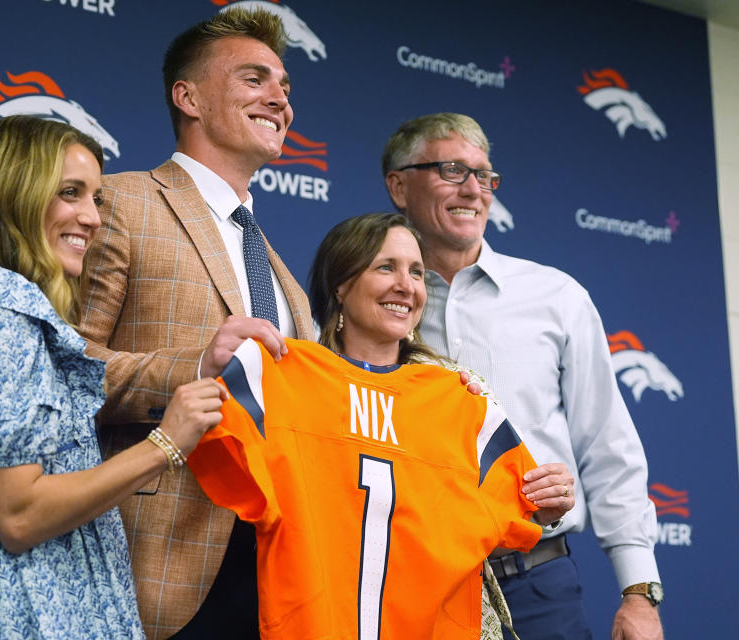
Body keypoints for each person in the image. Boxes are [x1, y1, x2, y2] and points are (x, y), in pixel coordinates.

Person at [0, 115, 226, 639]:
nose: (90, 217)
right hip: (9, 614)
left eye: (95, 198)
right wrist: (166, 443)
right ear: (14, 194)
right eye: (71, 193)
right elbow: (19, 515)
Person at [184, 212, 574, 639]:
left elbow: (516, 513)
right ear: (342, 284)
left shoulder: (462, 400)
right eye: (385, 267)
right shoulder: (281, 380)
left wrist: (543, 500)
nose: (406, 285)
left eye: (417, 272)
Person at [77, 8, 314, 639]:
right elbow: (58, 371)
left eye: (285, 86)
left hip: (278, 567)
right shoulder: (120, 202)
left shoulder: (276, 266)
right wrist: (194, 368)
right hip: (159, 560)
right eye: (254, 79)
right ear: (189, 98)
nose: (280, 99)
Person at [382, 113, 662, 639]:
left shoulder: (556, 296)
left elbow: (608, 445)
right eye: (450, 171)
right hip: (410, 589)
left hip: (537, 587)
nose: (474, 190)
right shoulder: (367, 301)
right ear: (399, 185)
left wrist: (639, 593)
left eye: (484, 176)